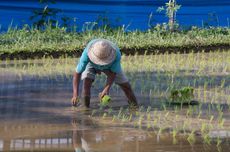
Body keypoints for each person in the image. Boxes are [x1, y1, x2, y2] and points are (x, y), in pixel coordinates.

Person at [71, 38, 138, 108]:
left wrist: (106, 89)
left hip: (109, 65)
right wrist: (75, 94)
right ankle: (85, 109)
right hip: (91, 63)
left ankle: (135, 107)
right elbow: (77, 73)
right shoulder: (87, 54)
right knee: (86, 83)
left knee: (126, 86)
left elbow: (113, 73)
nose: (100, 64)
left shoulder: (116, 54)